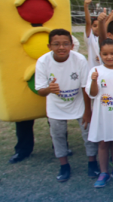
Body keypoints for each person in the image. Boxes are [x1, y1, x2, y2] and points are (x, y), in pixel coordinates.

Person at [34, 29, 97, 182]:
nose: (61, 47)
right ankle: (64, 165)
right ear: (49, 46)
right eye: (56, 44)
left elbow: (84, 87)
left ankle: (92, 162)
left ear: (71, 45)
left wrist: (88, 111)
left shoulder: (79, 59)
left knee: (88, 133)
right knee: (58, 135)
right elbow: (40, 90)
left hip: (79, 103)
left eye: (65, 44)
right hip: (56, 106)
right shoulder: (43, 62)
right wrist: (49, 89)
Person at [0, 10, 37, 164]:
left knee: (54, 117)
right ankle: (23, 149)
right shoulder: (6, 25)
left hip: (46, 73)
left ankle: (60, 147)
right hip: (18, 75)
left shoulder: (47, 26)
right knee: (23, 115)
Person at [88, 39, 113, 188]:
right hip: (102, 114)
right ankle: (104, 172)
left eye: (112, 53)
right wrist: (93, 81)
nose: (109, 57)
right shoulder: (95, 71)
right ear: (100, 55)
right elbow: (92, 94)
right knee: (103, 143)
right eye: (105, 54)